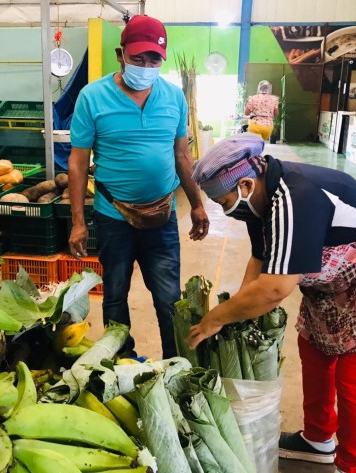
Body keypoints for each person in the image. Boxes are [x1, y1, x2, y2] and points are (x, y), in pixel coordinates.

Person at [188, 133, 356, 473]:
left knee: (354, 377)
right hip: (336, 284)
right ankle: (318, 439)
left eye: (224, 201)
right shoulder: (261, 197)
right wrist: (239, 306)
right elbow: (260, 258)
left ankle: (350, 465)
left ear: (244, 184)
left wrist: (218, 317)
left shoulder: (295, 196)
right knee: (314, 350)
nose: (226, 210)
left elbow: (274, 289)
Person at [67, 15, 209, 359]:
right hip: (113, 217)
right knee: (115, 294)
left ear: (162, 58)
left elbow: (181, 155)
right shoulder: (92, 97)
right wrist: (78, 221)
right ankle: (122, 361)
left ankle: (174, 365)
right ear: (121, 54)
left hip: (162, 217)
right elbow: (77, 162)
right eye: (138, 58)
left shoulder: (173, 98)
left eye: (153, 59)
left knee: (168, 299)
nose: (146, 66)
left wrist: (198, 203)